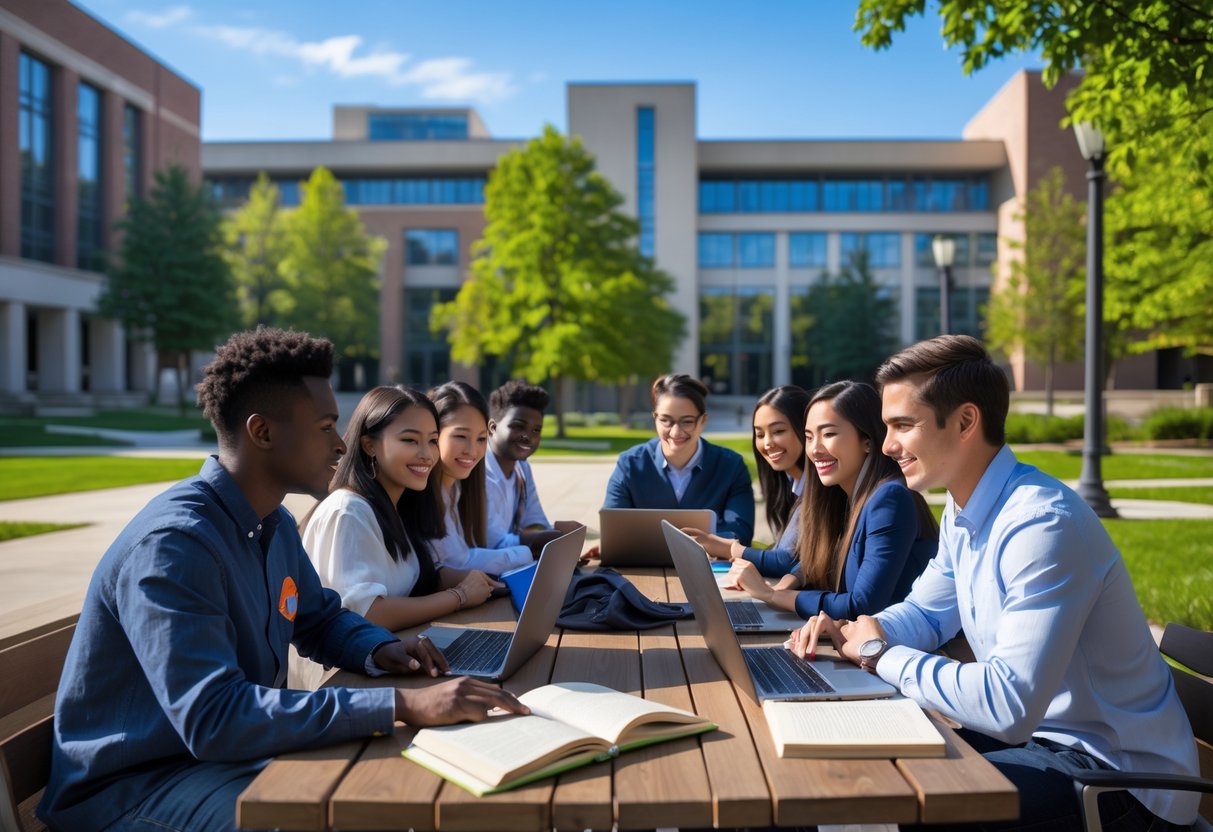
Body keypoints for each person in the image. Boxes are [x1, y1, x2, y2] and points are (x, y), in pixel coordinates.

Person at [38, 329, 527, 832]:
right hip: (135, 788)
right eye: (324, 426)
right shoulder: (175, 546)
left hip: (214, 760)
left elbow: (319, 619)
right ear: (263, 432)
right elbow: (214, 716)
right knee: (356, 808)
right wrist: (400, 703)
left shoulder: (269, 522)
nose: (340, 444)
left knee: (408, 780)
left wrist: (381, 650)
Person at [792, 336, 1200, 831]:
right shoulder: (965, 513)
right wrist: (858, 627)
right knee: (860, 759)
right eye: (886, 426)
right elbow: (924, 613)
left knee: (907, 801)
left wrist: (880, 655)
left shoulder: (1042, 525)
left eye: (903, 425)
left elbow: (1008, 704)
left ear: (965, 421)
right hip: (1042, 745)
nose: (889, 444)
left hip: (1117, 780)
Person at [723, 381, 937, 621]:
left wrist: (771, 596)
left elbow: (862, 604)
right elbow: (824, 560)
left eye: (829, 434)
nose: (815, 449)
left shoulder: (889, 498)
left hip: (911, 648)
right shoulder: (847, 493)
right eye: (809, 437)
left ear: (867, 440)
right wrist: (788, 582)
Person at [302, 385, 501, 634]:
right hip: (341, 672)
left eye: (432, 441)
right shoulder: (349, 511)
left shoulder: (397, 504)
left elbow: (419, 579)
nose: (427, 454)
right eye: (410, 440)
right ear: (369, 445)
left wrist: (478, 579)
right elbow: (367, 613)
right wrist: (459, 596)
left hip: (395, 652)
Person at [602, 373, 754, 544]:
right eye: (666, 421)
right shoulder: (629, 464)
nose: (675, 432)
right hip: (641, 568)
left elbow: (740, 533)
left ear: (703, 421)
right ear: (655, 419)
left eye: (687, 422)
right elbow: (612, 530)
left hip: (708, 567)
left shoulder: (731, 466)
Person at [684, 385, 811, 577]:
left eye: (778, 431)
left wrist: (727, 548)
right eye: (760, 434)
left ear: (805, 429)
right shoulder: (789, 485)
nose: (767, 443)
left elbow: (786, 561)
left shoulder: (820, 489)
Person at [429, 381, 534, 575]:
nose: (472, 451)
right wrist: (525, 554)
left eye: (481, 439)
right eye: (461, 436)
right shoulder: (426, 496)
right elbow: (456, 563)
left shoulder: (457, 489)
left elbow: (466, 555)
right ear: (433, 435)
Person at [484, 379, 563, 555]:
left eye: (536, 430)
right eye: (518, 426)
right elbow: (493, 544)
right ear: (492, 428)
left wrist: (556, 535)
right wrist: (552, 538)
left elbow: (534, 521)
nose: (528, 436)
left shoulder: (522, 468)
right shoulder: (476, 473)